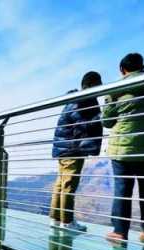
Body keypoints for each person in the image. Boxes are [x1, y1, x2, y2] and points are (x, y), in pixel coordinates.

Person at [103, 53, 144, 245]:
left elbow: (107, 122)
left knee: (122, 189)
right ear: (142, 66)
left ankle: (119, 233)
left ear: (122, 69)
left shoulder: (118, 88)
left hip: (123, 150)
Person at [50, 71, 103, 232]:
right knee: (68, 185)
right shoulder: (84, 99)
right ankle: (67, 222)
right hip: (73, 148)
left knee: (60, 184)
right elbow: (82, 124)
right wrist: (100, 116)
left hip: (65, 147)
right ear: (93, 84)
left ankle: (55, 219)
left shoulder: (74, 99)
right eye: (99, 84)